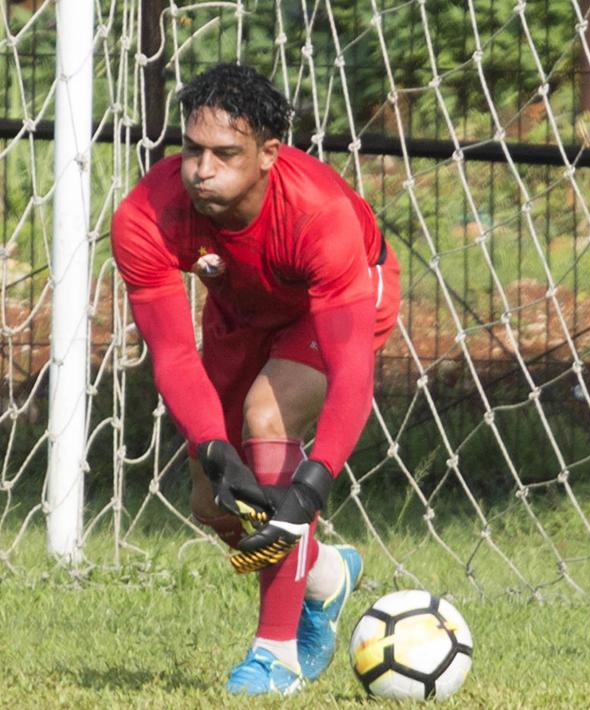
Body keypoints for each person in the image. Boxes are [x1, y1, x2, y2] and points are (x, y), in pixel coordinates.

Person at [110, 62, 400, 695]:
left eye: (225, 154)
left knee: (267, 416)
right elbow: (173, 355)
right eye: (192, 150)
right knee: (212, 502)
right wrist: (214, 448)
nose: (201, 169)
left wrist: (313, 484)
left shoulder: (320, 214)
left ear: (269, 154)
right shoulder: (144, 216)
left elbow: (352, 373)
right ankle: (325, 576)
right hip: (241, 309)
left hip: (342, 306)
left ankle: (276, 655)